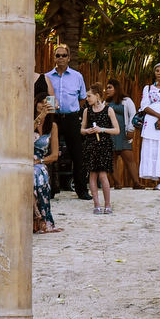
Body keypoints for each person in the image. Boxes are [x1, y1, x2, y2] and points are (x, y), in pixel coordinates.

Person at [44, 45, 89, 199]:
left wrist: (73, 110)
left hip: (71, 118)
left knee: (77, 154)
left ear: (69, 57)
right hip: (52, 118)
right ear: (54, 58)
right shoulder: (47, 76)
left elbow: (83, 98)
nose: (61, 58)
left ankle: (81, 190)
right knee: (50, 152)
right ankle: (50, 189)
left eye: (64, 55)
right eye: (58, 55)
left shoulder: (77, 76)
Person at [79, 86, 120, 214]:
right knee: (92, 174)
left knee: (103, 174)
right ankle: (96, 204)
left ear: (97, 95)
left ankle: (107, 204)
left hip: (104, 145)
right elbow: (82, 129)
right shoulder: (87, 111)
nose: (87, 98)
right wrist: (87, 131)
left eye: (89, 96)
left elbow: (117, 130)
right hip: (91, 145)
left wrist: (101, 129)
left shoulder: (109, 110)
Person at [31, 96, 61, 233]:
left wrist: (40, 161)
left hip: (39, 162)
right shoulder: (28, 122)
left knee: (39, 171)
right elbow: (23, 135)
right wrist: (40, 116)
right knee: (37, 172)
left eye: (46, 102)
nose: (43, 104)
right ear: (35, 103)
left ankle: (38, 215)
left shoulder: (52, 126)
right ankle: (40, 217)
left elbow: (54, 155)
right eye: (41, 102)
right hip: (24, 159)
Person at [104, 80, 139, 189]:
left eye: (110, 87)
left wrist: (131, 129)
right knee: (112, 159)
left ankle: (136, 182)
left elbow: (133, 115)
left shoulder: (127, 101)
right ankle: (117, 183)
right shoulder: (106, 103)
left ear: (116, 88)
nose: (107, 90)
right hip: (110, 134)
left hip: (123, 134)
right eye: (107, 88)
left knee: (129, 158)